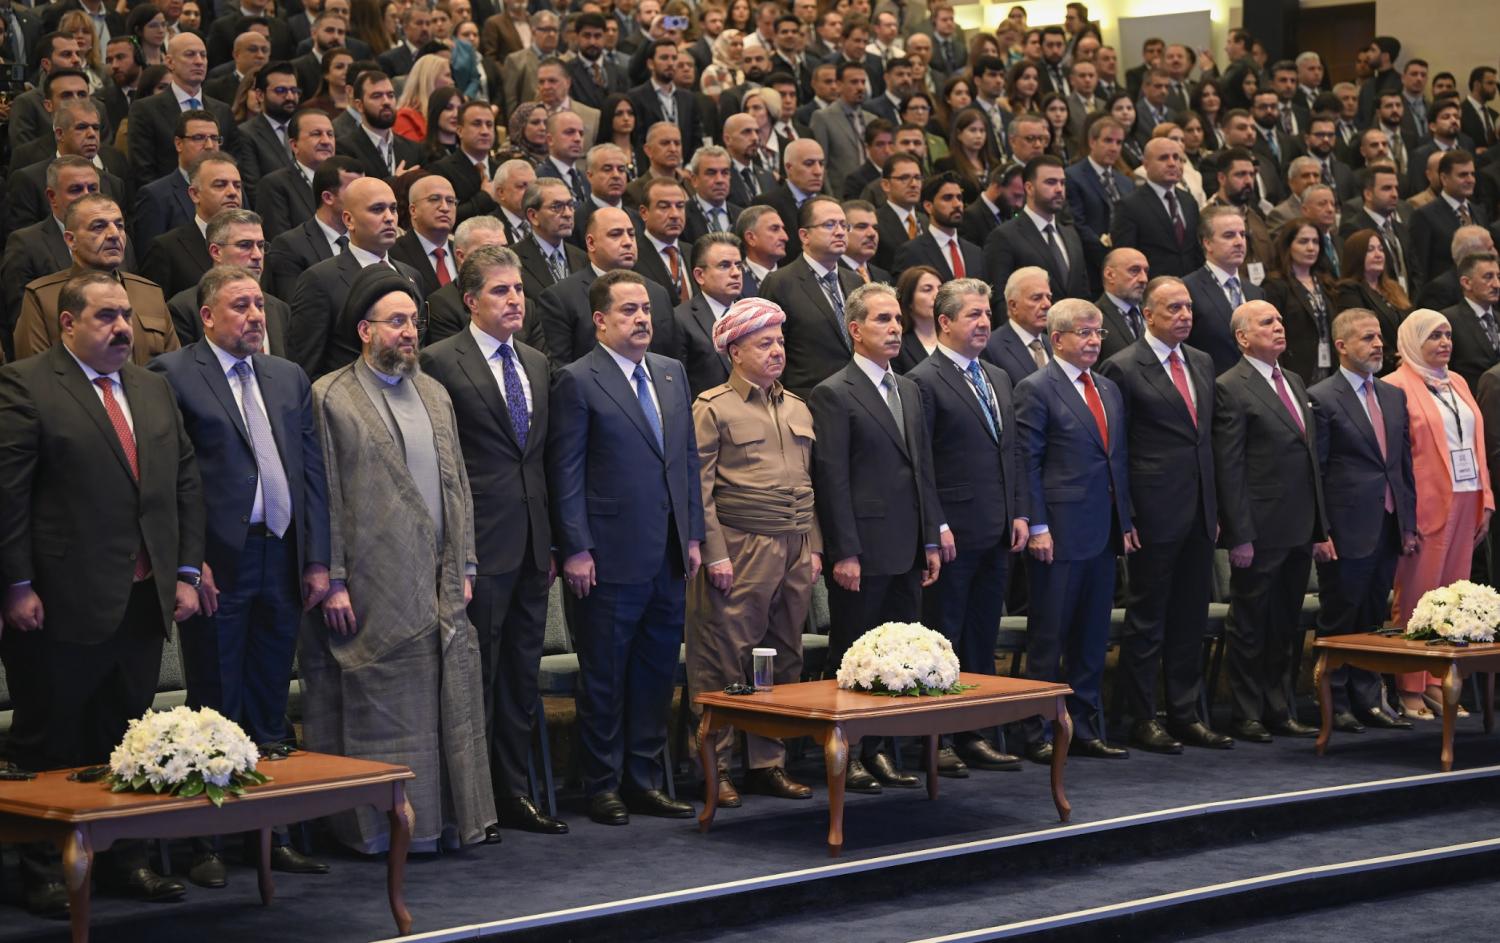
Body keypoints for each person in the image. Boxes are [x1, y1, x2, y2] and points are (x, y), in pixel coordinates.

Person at [0, 270, 202, 916]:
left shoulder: (151, 387)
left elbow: (184, 480)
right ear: (67, 323)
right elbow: (9, 495)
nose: (122, 327)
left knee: (127, 737)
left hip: (141, 597)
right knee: (51, 740)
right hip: (59, 600)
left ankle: (125, 859)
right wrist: (16, 584)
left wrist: (186, 571)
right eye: (105, 316)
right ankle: (43, 870)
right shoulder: (26, 384)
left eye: (126, 315)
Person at [147, 265, 333, 885]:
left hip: (281, 555)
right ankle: (208, 843)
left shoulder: (287, 376)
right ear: (206, 316)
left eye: (259, 304)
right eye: (239, 306)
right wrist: (187, 559)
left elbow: (310, 473)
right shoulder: (173, 374)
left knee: (269, 702)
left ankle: (268, 836)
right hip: (216, 564)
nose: (255, 316)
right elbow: (169, 479)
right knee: (215, 702)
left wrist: (316, 558)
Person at [301, 265, 496, 853]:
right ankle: (380, 834)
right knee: (386, 703)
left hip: (440, 578)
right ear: (365, 330)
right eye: (395, 322)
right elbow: (324, 495)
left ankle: (448, 825)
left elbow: (458, 484)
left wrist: (465, 564)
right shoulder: (330, 395)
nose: (409, 332)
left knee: (450, 699)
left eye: (414, 321)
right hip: (370, 579)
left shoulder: (435, 392)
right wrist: (334, 578)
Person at [417, 245, 568, 837]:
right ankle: (470, 802)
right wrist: (455, 552)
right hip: (475, 548)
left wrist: (552, 542)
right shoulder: (439, 361)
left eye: (519, 290)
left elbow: (543, 460)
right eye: (500, 291)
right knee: (474, 677)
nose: (514, 300)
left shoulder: (535, 361)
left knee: (520, 677)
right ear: (470, 300)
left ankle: (514, 793)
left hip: (532, 546)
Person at [548, 268, 704, 826]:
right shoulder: (577, 380)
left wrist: (693, 533)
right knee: (606, 677)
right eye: (628, 311)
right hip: (608, 555)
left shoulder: (670, 372)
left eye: (646, 310)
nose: (642, 319)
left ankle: (644, 780)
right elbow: (565, 472)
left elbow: (686, 460)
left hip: (667, 552)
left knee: (654, 674)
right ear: (600, 320)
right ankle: (602, 784)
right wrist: (576, 547)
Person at [687, 297, 820, 806]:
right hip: (741, 546)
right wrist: (714, 553)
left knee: (782, 657)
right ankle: (716, 768)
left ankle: (769, 762)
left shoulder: (797, 406)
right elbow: (699, 490)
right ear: (735, 351)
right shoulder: (713, 407)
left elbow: (809, 484)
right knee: (723, 659)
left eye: (780, 341)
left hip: (794, 546)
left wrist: (814, 547)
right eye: (764, 343)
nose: (776, 351)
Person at [810, 281, 941, 792]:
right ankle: (847, 752)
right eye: (882, 319)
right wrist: (845, 550)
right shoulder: (834, 391)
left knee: (898, 655)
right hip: (862, 550)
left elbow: (923, 469)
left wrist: (930, 539)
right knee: (853, 654)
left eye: (898, 320)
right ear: (855, 330)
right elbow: (832, 478)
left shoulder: (908, 388)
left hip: (907, 546)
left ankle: (881, 749)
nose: (894, 328)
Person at [1099, 276, 1231, 754]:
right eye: (1173, 308)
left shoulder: (1201, 361)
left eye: (1188, 307)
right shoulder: (1123, 366)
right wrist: (1127, 515)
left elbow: (1206, 440)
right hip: (1152, 510)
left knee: (1190, 617)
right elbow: (1117, 449)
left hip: (1198, 509)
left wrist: (1215, 506)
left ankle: (1185, 712)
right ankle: (1141, 716)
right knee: (1148, 617)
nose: (1184, 315)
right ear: (1148, 315)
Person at [908, 278, 1027, 774]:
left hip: (996, 529)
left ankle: (973, 732)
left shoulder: (998, 375)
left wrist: (1019, 511)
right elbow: (921, 464)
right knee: (945, 635)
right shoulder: (923, 379)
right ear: (944, 322)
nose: (984, 323)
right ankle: (936, 738)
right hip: (952, 532)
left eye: (987, 314)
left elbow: (1011, 451)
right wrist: (935, 524)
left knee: (981, 635)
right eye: (973, 315)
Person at [1015, 297, 1135, 761]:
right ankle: (1037, 730)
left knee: (1091, 636)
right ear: (1057, 338)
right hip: (1058, 533)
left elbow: (1116, 461)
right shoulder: (1036, 388)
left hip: (1103, 531)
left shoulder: (1107, 387)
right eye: (1083, 333)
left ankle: (1083, 727)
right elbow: (1028, 463)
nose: (1093, 341)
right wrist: (1038, 524)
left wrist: (1125, 521)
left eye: (1098, 332)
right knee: (1049, 637)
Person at [1213, 300, 1329, 742]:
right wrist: (1239, 534)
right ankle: (1246, 713)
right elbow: (1230, 467)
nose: (1279, 326)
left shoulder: (1294, 381)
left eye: (1280, 319)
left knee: (1284, 624)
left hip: (1298, 526)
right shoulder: (1230, 386)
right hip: (1259, 529)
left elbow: (1310, 460)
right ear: (1243, 337)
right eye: (1267, 322)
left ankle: (1279, 708)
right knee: (1250, 624)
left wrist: (1320, 527)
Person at [1307, 309, 1418, 733]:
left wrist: (1407, 524)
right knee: (1341, 618)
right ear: (1341, 346)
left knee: (1373, 619)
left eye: (1379, 337)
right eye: (1368, 338)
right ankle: (1334, 702)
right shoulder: (1322, 397)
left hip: (1387, 524)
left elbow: (1402, 465)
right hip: (1345, 528)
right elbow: (1315, 472)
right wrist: (1320, 531)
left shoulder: (1392, 395)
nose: (1378, 345)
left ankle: (1369, 699)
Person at [1385, 308, 1495, 717]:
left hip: (1467, 496)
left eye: (1448, 335)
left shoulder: (1459, 382)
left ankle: (1437, 681)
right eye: (1434, 336)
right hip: (1425, 504)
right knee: (1418, 596)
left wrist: (1486, 498)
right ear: (1413, 341)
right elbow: (1395, 459)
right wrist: (1403, 513)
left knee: (1453, 598)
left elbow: (1477, 442)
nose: (1445, 342)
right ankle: (1409, 686)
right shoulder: (1395, 386)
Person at [15, 194, 180, 365]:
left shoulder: (150, 292)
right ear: (71, 240)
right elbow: (34, 372)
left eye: (120, 226)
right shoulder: (42, 297)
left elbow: (174, 369)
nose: (114, 234)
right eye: (99, 227)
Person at [288, 176, 427, 378]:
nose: (389, 217)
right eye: (377, 209)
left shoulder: (411, 275)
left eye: (393, 209)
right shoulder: (319, 280)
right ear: (349, 220)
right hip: (346, 393)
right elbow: (305, 366)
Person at [534, 205, 682, 369]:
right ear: (591, 243)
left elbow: (671, 362)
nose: (628, 242)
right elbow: (561, 371)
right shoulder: (561, 298)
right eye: (615, 234)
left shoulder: (658, 293)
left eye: (631, 234)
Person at [761, 195, 864, 397]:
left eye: (844, 225)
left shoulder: (855, 281)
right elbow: (768, 349)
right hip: (806, 398)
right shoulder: (780, 283)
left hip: (857, 394)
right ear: (804, 235)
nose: (840, 232)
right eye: (829, 225)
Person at [127, 32, 237, 184]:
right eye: (190, 55)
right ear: (170, 62)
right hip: (166, 196)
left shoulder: (223, 110)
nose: (199, 61)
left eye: (203, 55)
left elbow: (233, 162)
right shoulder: (145, 110)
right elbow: (142, 169)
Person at [984, 155, 1089, 308]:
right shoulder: (1004, 236)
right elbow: (1000, 299)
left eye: (1062, 183)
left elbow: (1083, 292)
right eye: (1051, 182)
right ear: (1029, 188)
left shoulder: (1071, 235)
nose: (1059, 189)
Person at [1184, 205, 1266, 375]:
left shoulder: (1256, 292)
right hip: (1212, 384)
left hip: (1256, 384)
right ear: (1207, 243)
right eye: (1229, 235)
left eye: (1242, 234)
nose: (1239, 242)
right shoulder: (1187, 289)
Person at [1111, 136, 1203, 278]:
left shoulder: (1189, 200)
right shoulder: (1129, 206)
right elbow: (1125, 258)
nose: (1172, 163)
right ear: (1146, 165)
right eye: (1163, 158)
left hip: (1190, 284)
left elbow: (1196, 250)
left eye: (1177, 158)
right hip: (1152, 285)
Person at [1263, 218, 1338, 385]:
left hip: (1329, 368)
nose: (1311, 248)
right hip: (1295, 370)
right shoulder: (1275, 285)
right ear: (1288, 246)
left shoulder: (1326, 282)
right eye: (1303, 241)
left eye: (1315, 242)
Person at [1334, 229, 1411, 376]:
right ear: (1356, 256)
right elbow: (1360, 332)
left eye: (1381, 249)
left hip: (1406, 365)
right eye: (1370, 250)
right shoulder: (1349, 290)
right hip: (1378, 368)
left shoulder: (1395, 288)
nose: (1378, 254)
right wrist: (1394, 359)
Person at [675, 232, 741, 396]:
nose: (736, 273)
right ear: (700, 275)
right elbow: (677, 386)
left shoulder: (753, 312)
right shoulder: (681, 319)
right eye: (724, 265)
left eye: (739, 265)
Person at [256, 108, 338, 240]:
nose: (326, 141)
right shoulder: (275, 185)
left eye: (330, 134)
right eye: (316, 134)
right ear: (294, 145)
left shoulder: (345, 182)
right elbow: (280, 242)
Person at [1410, 150, 1488, 287]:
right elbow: (1420, 267)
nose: (1470, 180)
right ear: (1444, 178)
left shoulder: (1479, 211)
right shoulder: (1424, 215)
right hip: (1444, 293)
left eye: (1472, 174)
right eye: (1463, 175)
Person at [894, 172, 984, 284]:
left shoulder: (975, 252)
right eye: (947, 198)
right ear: (929, 206)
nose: (957, 204)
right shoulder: (911, 252)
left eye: (959, 198)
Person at [335, 70, 420, 180]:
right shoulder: (345, 149)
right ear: (359, 105)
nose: (386, 102)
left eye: (390, 95)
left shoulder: (414, 149)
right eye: (376, 96)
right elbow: (355, 188)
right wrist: (397, 180)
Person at [1441, 252, 1500, 390]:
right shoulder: (1448, 320)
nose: (1497, 284)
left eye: (1498, 276)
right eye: (1488, 277)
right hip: (1469, 397)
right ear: (1466, 283)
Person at [1095, 247, 1149, 361]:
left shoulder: (1152, 315)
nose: (1144, 279)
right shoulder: (1093, 319)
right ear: (1110, 275)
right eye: (1134, 271)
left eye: (1146, 271)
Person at [891, 265, 940, 374]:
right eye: (927, 290)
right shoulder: (896, 345)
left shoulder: (956, 337)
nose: (937, 295)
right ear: (908, 299)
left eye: (940, 289)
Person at [416, 86, 463, 164]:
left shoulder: (470, 151)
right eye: (449, 108)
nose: (456, 114)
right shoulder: (421, 153)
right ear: (436, 112)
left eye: (460, 109)